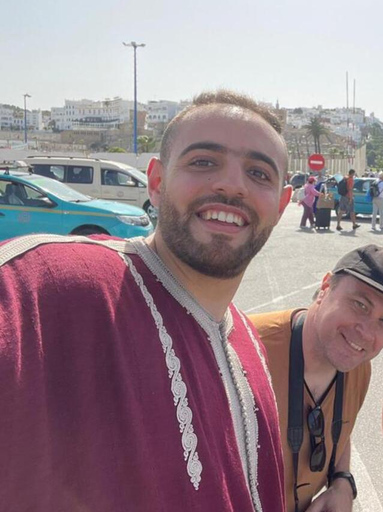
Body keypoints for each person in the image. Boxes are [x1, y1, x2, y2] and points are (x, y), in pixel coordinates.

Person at [0, 90, 292, 511]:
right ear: (156, 182)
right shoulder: (48, 283)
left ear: (281, 205)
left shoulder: (248, 341)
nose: (231, 184)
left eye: (259, 173)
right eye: (204, 162)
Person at [249, 245, 383, 512]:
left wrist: (342, 480)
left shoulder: (357, 367)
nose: (366, 333)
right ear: (325, 286)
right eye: (360, 305)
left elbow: (342, 426)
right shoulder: (246, 350)